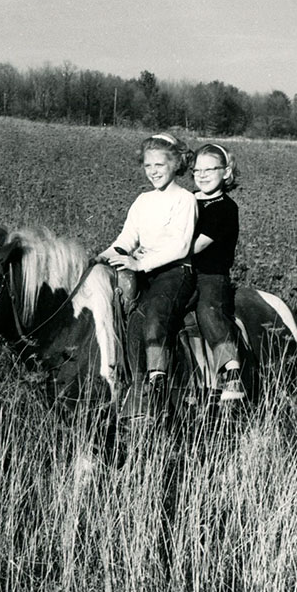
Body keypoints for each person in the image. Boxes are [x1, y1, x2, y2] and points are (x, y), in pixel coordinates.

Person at [98, 132, 197, 407]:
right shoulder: (143, 201)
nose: (153, 171)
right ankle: (136, 385)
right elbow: (125, 240)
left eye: (160, 165)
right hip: (146, 272)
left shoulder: (185, 199)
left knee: (155, 310)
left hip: (177, 272)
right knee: (133, 321)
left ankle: (158, 379)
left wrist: (140, 263)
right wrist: (101, 257)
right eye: (148, 166)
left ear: (176, 164)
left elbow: (180, 246)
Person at [190, 143, 244, 403]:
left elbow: (194, 246)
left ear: (226, 172)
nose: (201, 175)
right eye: (196, 170)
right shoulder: (186, 200)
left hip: (211, 275)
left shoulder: (224, 208)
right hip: (182, 272)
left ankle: (230, 370)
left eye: (209, 169)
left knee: (207, 310)